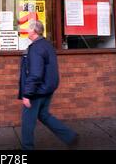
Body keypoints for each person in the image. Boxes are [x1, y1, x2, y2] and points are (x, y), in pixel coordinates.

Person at [18, 20, 79, 150]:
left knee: (27, 122)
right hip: (47, 89)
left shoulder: (36, 48)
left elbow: (35, 74)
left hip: (36, 91)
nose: (27, 31)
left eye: (29, 29)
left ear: (34, 31)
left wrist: (27, 94)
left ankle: (27, 149)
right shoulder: (47, 45)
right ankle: (69, 135)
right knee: (44, 115)